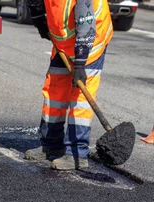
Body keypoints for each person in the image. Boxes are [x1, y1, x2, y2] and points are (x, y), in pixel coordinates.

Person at [24, 0, 113, 170]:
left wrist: (80, 64)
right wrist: (38, 18)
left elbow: (86, 25)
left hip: (91, 40)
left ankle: (76, 154)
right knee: (54, 91)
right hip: (63, 42)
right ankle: (51, 145)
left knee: (80, 98)